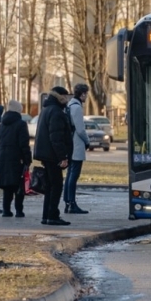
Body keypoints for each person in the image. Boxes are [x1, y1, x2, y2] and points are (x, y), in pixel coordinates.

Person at [33, 86, 73, 226]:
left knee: (50, 186)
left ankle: (47, 216)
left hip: (46, 154)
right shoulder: (56, 112)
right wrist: (63, 157)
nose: (67, 100)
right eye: (66, 97)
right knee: (56, 186)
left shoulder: (46, 110)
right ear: (60, 96)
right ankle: (52, 216)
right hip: (53, 155)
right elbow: (56, 137)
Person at [0, 99, 33, 218]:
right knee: (19, 186)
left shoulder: (1, 125)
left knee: (7, 186)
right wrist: (27, 159)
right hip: (17, 159)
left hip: (3, 159)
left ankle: (6, 210)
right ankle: (19, 211)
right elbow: (24, 144)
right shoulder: (21, 124)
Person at [63, 83, 90, 214]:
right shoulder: (77, 108)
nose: (87, 97)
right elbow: (80, 129)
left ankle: (67, 202)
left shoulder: (69, 105)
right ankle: (72, 203)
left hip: (70, 143)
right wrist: (87, 141)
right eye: (86, 94)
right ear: (82, 94)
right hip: (76, 144)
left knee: (69, 174)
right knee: (74, 174)